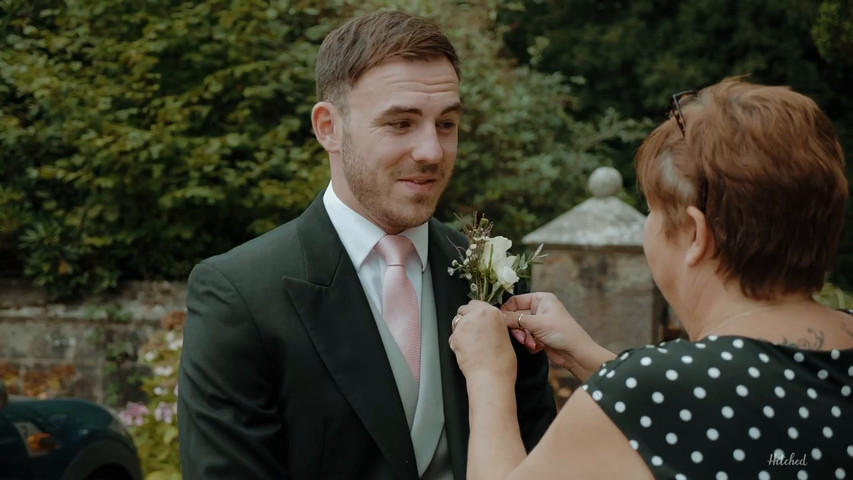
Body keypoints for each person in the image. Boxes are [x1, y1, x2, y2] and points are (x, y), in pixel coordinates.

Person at [177, 10, 556, 480]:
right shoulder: (239, 293)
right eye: (400, 124)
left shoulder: (495, 278)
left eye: (446, 124)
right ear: (328, 128)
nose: (431, 152)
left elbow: (542, 460)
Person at [448, 78, 853, 479]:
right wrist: (583, 354)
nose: (649, 228)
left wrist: (489, 374)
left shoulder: (655, 387)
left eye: (653, 211)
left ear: (696, 236)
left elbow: (675, 402)